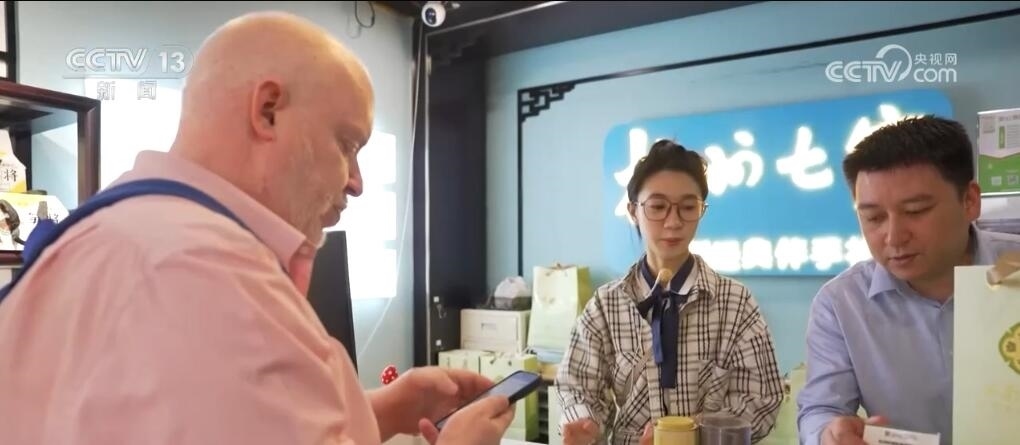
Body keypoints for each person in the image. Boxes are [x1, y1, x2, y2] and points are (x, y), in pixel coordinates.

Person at [0, 12, 514, 445]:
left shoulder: (95, 241)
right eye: (346, 145)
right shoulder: (215, 279)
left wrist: (385, 409)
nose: (356, 183)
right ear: (268, 111)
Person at [796, 115, 1020, 445]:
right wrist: (829, 434)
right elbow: (821, 409)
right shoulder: (842, 303)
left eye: (915, 211)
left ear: (970, 201)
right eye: (873, 217)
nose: (894, 236)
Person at [555, 139, 785, 445]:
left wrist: (687, 432)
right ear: (633, 211)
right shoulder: (607, 304)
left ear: (701, 210)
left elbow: (762, 400)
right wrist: (585, 423)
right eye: (658, 207)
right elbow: (577, 385)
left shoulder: (735, 303)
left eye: (688, 207)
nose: (674, 222)